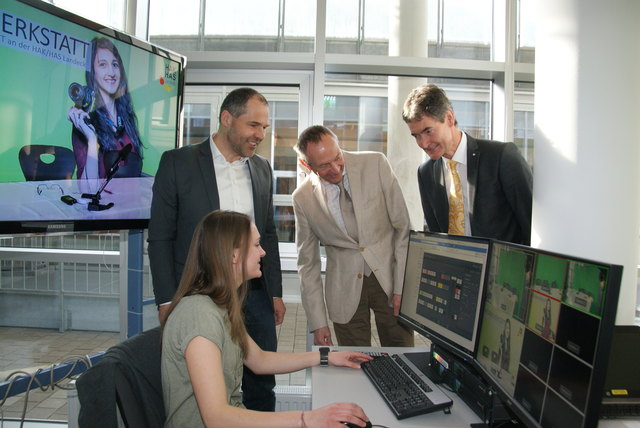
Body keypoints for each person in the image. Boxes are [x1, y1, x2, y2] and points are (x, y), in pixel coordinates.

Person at [161, 210, 372, 428]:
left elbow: (260, 360)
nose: (262, 253)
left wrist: (326, 356)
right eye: (256, 245)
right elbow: (216, 418)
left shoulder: (219, 307)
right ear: (234, 255)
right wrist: (306, 419)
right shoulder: (198, 315)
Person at [148, 88, 285, 411]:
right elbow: (160, 237)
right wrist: (167, 299)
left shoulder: (262, 168)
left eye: (264, 127)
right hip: (202, 293)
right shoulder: (178, 163)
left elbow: (268, 234)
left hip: (253, 292)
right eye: (254, 125)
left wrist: (274, 292)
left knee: (263, 386)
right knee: (208, 386)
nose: (260, 135)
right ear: (227, 119)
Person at [292, 125, 414, 348]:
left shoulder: (375, 164)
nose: (335, 169)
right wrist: (318, 322)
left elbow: (402, 228)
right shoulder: (302, 198)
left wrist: (402, 288)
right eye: (324, 165)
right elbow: (307, 264)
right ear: (307, 165)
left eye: (337, 157)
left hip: (389, 277)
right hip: (344, 291)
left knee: (402, 354)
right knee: (354, 363)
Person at [402, 84, 533, 245]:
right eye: (416, 136)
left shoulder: (501, 156)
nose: (423, 143)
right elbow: (437, 236)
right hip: (456, 268)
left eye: (428, 131)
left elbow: (531, 223)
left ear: (449, 118)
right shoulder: (426, 173)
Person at [67, 37, 143, 182]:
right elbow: (87, 189)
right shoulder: (86, 120)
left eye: (115, 64)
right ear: (93, 73)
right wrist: (92, 139)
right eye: (102, 64)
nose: (111, 72)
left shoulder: (127, 116)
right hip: (105, 203)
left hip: (134, 202)